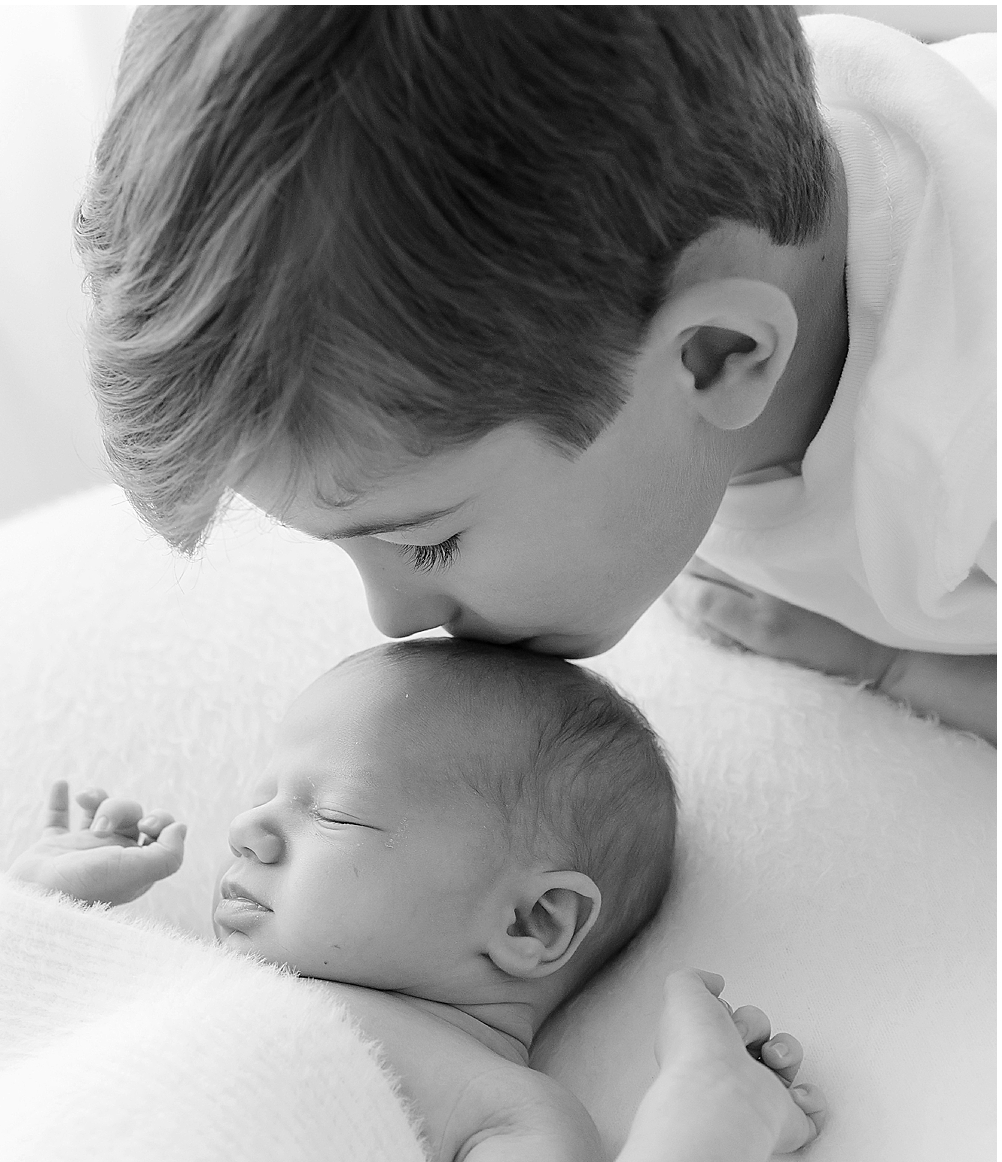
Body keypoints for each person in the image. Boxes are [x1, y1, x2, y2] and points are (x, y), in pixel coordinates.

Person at [76, 8, 994, 739]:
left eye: (426, 542)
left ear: (716, 356)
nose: (391, 619)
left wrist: (900, 668)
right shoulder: (661, 307)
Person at [7, 638, 824, 1162]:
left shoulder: (501, 1111)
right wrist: (47, 917)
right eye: (264, 794)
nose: (248, 828)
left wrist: (701, 1128)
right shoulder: (193, 973)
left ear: (530, 922)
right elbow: (5, 1068)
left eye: (330, 812)